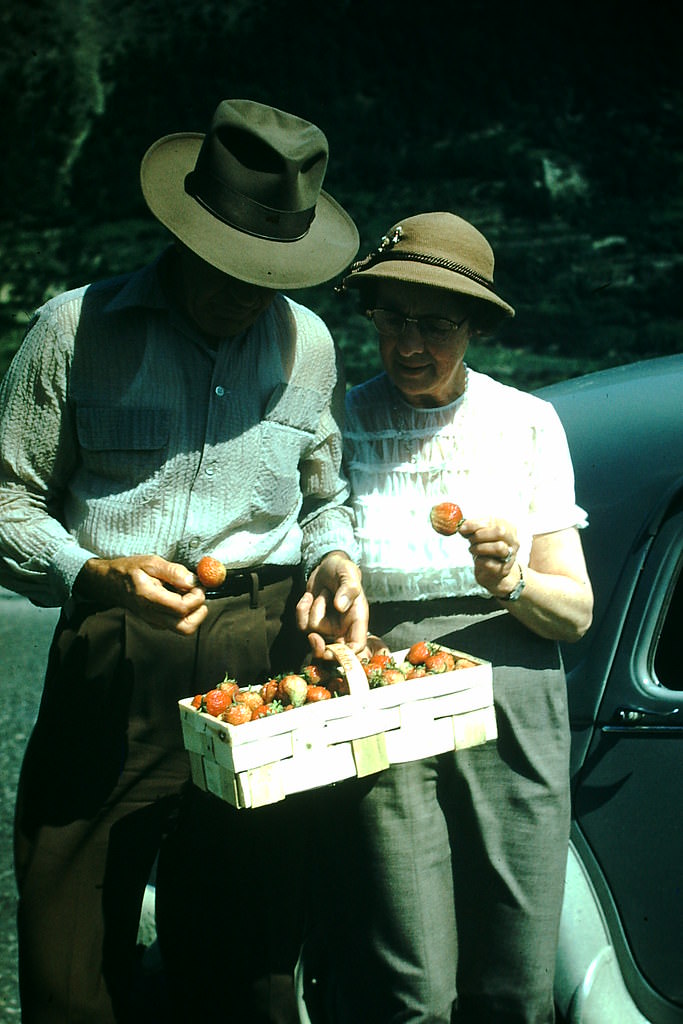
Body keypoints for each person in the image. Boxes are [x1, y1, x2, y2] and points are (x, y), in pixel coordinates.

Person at [0, 98, 369, 1024]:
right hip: (116, 647)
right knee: (70, 941)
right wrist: (91, 571)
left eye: (273, 270)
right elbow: (6, 499)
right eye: (230, 261)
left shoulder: (308, 345)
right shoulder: (74, 330)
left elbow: (326, 496)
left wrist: (332, 560)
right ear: (183, 229)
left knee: (247, 942)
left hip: (262, 651)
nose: (251, 289)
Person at [302, 212, 594, 1024]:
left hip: (513, 693)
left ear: (473, 325)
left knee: (516, 969)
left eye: (435, 324)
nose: (408, 345)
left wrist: (512, 581)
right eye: (391, 319)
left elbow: (573, 615)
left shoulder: (526, 422)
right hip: (387, 694)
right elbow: (319, 560)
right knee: (408, 981)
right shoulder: (339, 422)